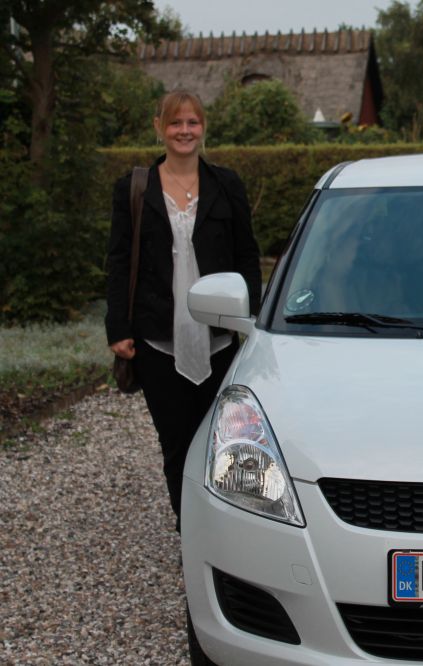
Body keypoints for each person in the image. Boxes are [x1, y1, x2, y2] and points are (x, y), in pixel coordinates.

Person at [105, 90, 261, 531]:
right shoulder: (134, 189)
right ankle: (190, 532)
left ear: (203, 127)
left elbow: (247, 256)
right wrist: (118, 327)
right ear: (159, 127)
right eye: (175, 123)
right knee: (176, 443)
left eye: (192, 122)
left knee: (226, 442)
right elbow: (119, 261)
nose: (184, 131)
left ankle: (229, 531)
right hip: (157, 338)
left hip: (219, 338)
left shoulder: (226, 185)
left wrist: (253, 320)